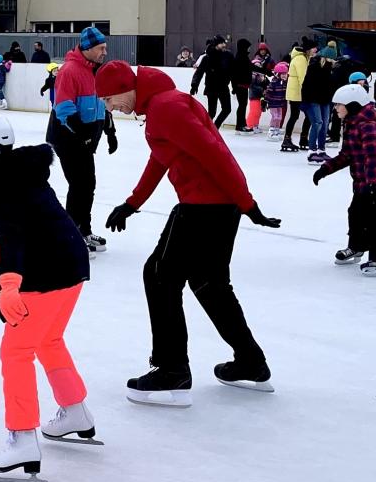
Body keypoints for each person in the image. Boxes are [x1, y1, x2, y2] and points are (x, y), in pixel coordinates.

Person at [95, 60, 280, 400]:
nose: (111, 108)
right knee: (210, 284)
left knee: (160, 275)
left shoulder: (166, 108)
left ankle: (171, 369)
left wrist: (248, 203)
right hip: (217, 206)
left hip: (205, 206)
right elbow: (161, 158)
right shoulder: (166, 103)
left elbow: (214, 154)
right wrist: (133, 203)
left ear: (126, 87)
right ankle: (251, 361)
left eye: (109, 99)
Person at [0, 114, 95, 482]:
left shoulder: (0, 184)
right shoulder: (27, 170)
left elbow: (17, 236)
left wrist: (10, 285)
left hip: (45, 272)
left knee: (15, 351)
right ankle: (74, 411)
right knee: (48, 340)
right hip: (72, 263)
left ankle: (22, 441)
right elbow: (32, 224)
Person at [312, 85, 376, 275]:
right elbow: (347, 155)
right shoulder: (352, 124)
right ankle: (357, 247)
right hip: (362, 183)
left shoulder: (368, 127)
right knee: (356, 214)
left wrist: (375, 184)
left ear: (353, 105)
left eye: (339, 105)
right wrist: (325, 169)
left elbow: (374, 158)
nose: (336, 109)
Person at [49, 26, 111, 251]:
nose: (105, 51)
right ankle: (71, 235)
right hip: (68, 137)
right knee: (79, 186)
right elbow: (63, 108)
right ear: (88, 48)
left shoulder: (95, 69)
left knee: (88, 185)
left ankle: (83, 230)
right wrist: (83, 135)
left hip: (85, 139)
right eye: (101, 48)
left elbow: (100, 103)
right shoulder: (70, 70)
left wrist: (108, 130)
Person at [302, 44, 340, 164]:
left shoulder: (331, 69)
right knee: (317, 123)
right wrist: (305, 101)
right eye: (332, 58)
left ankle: (321, 150)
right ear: (327, 57)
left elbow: (332, 86)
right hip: (313, 100)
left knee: (324, 125)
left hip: (326, 101)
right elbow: (306, 85)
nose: (334, 61)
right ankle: (312, 151)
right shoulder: (314, 67)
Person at [281, 39, 311, 150]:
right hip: (297, 92)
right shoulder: (300, 59)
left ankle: (295, 138)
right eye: (313, 48)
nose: (315, 50)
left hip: (296, 91)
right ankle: (291, 139)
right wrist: (308, 91)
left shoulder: (302, 57)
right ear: (307, 49)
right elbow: (303, 77)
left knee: (297, 115)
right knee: (303, 115)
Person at [263, 61, 288, 138]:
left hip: (280, 103)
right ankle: (271, 130)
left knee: (279, 117)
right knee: (275, 117)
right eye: (283, 74)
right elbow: (268, 92)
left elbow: (284, 93)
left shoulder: (284, 83)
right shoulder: (273, 82)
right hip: (273, 103)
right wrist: (265, 101)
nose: (285, 76)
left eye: (286, 74)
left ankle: (277, 130)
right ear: (278, 74)